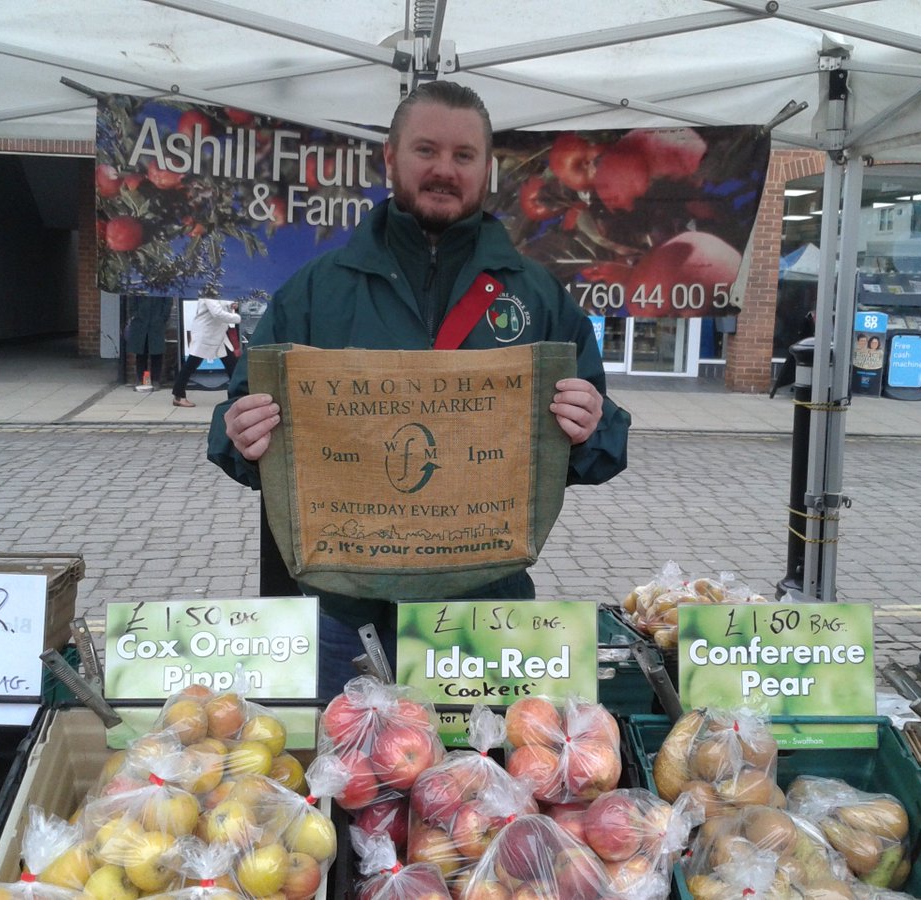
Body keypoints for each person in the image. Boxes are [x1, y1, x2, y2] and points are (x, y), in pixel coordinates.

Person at [207, 80, 630, 694]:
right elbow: (237, 425)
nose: (444, 170)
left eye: (464, 156)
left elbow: (601, 444)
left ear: (488, 169)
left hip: (485, 611)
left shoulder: (535, 296)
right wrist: (239, 435)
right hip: (343, 617)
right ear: (390, 158)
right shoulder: (316, 291)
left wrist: (592, 425)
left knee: (483, 782)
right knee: (345, 782)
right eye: (426, 150)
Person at [172, 298, 242, 407]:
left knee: (232, 364)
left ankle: (237, 396)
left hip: (218, 334)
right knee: (191, 365)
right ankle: (178, 395)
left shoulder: (216, 290)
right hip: (205, 335)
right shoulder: (208, 292)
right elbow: (217, 312)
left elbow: (221, 303)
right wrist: (237, 318)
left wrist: (231, 304)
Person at [125, 296, 173, 391]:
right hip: (140, 322)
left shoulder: (162, 283)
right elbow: (132, 299)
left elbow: (168, 300)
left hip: (156, 322)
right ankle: (142, 380)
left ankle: (155, 380)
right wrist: (135, 315)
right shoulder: (139, 284)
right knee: (141, 353)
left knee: (157, 353)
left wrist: (163, 317)